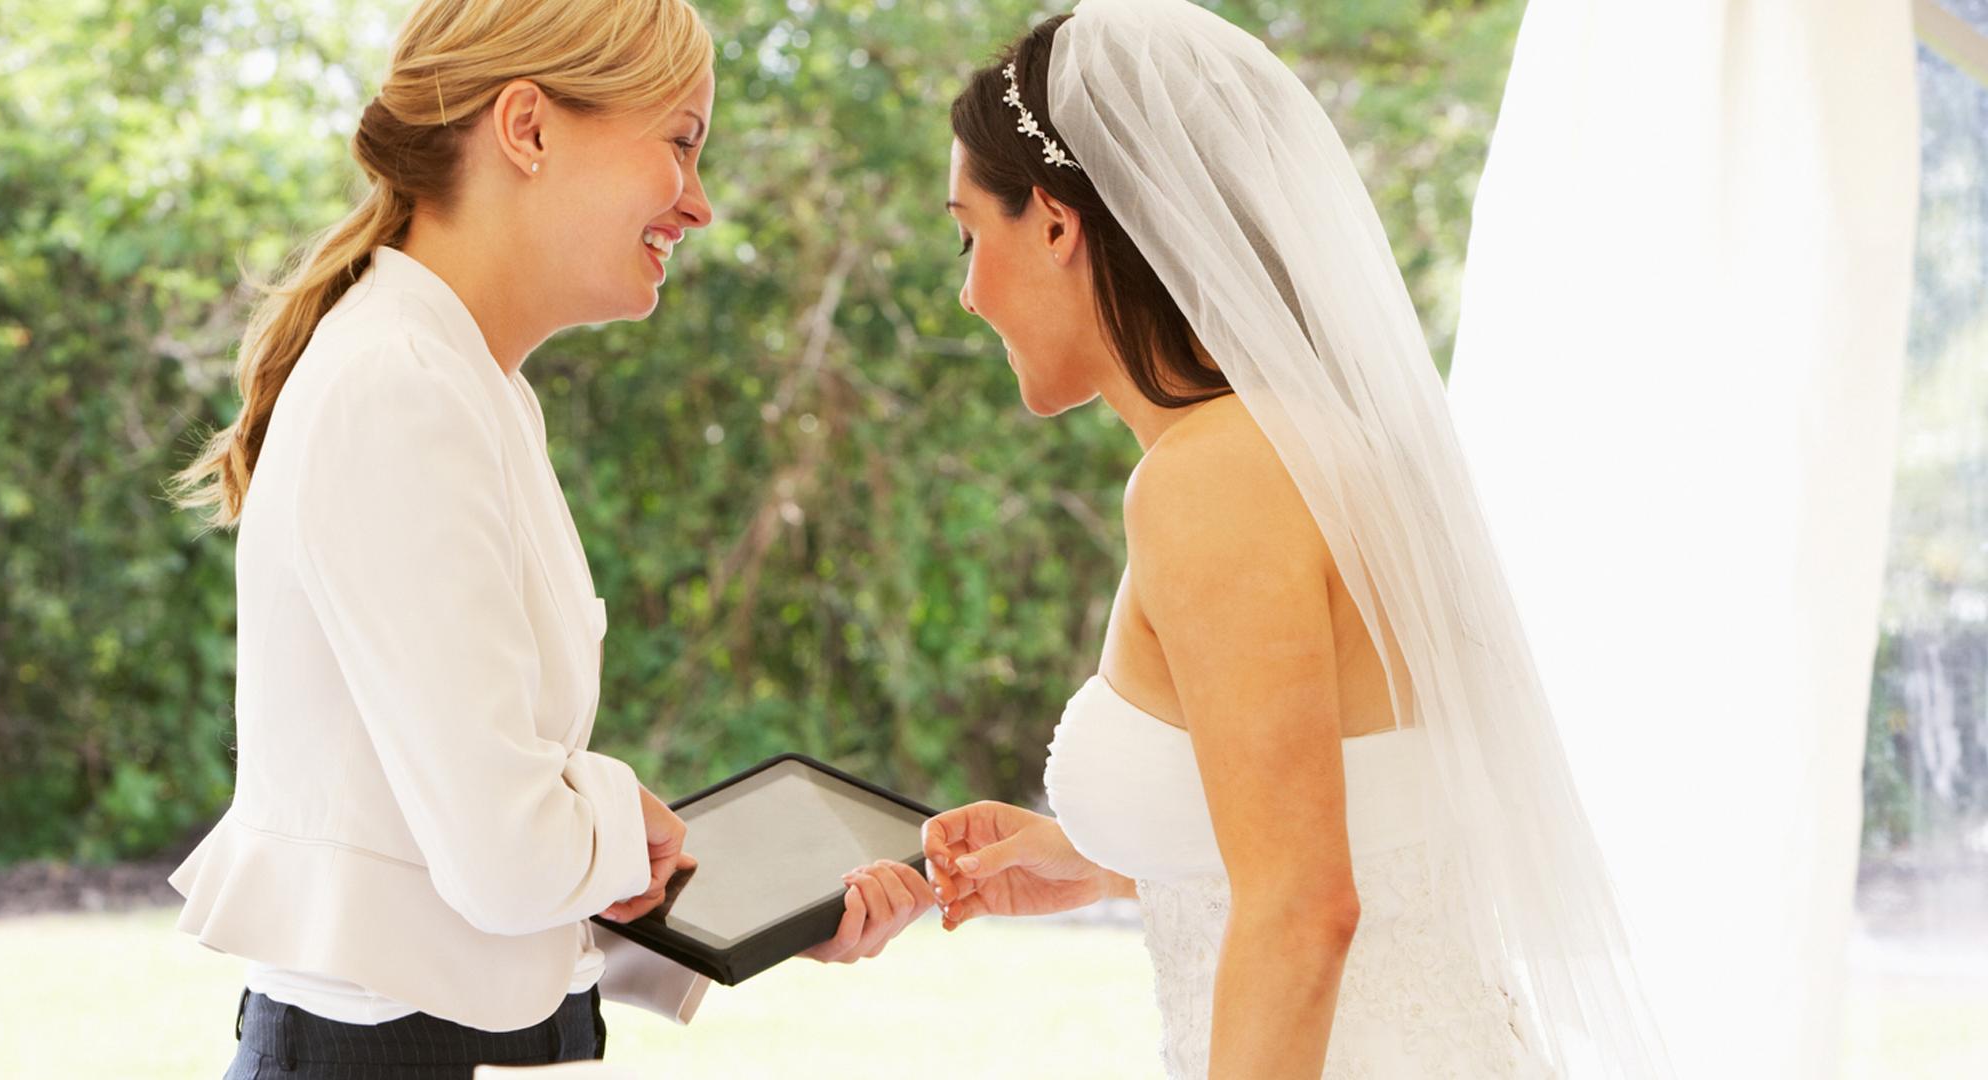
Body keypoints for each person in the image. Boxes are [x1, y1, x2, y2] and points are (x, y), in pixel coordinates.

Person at [838, 3, 1671, 1076]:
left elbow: (1303, 910)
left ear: (1054, 223)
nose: (966, 290)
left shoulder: (1211, 480)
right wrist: (1100, 861)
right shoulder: (1320, 443)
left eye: (968, 234)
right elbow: (1365, 813)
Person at [163, 1, 929, 1075]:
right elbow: (505, 856)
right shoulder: (402, 386)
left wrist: (716, 908)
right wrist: (623, 822)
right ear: (526, 128)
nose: (699, 205)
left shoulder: (472, 385)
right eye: (680, 141)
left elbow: (460, 862)